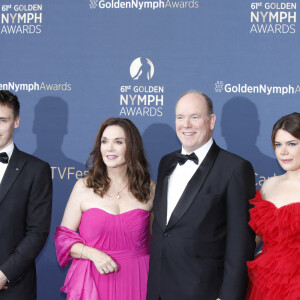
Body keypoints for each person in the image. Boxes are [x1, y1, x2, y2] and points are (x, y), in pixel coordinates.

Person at [147, 90, 256, 300]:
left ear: (211, 121)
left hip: (204, 292)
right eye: (180, 117)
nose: (186, 124)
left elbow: (240, 245)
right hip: (159, 291)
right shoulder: (165, 162)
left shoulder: (235, 168)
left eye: (194, 117)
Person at [55, 117, 155, 300]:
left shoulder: (149, 189)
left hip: (139, 280)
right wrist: (92, 254)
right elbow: (63, 238)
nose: (109, 148)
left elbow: (160, 241)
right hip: (94, 281)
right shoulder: (84, 187)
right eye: (104, 141)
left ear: (132, 147)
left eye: (118, 142)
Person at [0, 91, 52, 299]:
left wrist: (4, 274)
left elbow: (37, 232)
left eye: (2, 120)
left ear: (17, 122)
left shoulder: (36, 169)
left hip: (14, 286)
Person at [247, 112, 300, 300]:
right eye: (278, 145)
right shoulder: (268, 186)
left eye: (292, 144)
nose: (283, 152)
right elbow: (255, 238)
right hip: (263, 282)